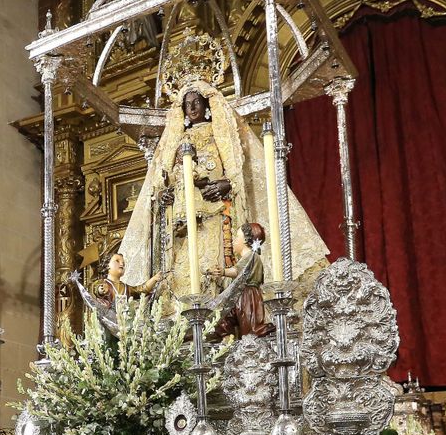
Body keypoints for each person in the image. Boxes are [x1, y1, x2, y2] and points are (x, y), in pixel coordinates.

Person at [116, 79, 329, 305]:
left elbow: (234, 172)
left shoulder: (219, 133)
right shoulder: (176, 143)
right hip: (182, 223)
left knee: (212, 266)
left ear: (206, 105)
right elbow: (165, 181)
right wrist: (165, 196)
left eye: (197, 102)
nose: (192, 108)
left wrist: (225, 184)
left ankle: (218, 313)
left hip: (214, 215)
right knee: (183, 271)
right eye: (187, 104)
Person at [69, 250, 164, 335]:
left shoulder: (126, 287)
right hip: (107, 324)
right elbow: (94, 288)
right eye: (117, 261)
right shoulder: (104, 283)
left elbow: (142, 289)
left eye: (123, 263)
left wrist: (154, 279)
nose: (122, 264)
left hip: (123, 325)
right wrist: (100, 289)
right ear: (107, 266)